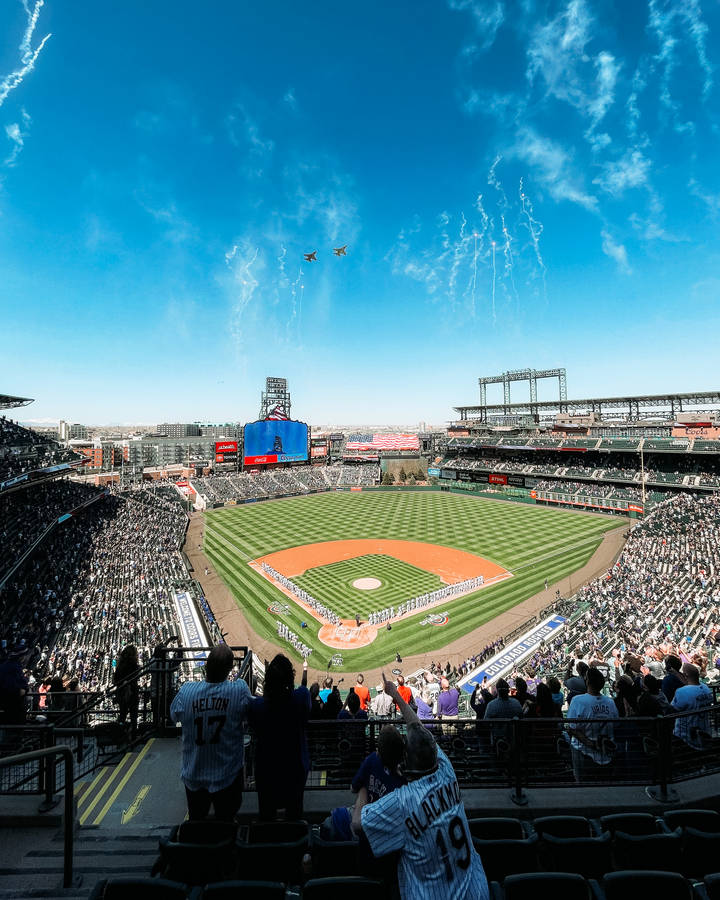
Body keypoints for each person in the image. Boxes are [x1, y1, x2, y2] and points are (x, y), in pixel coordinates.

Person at [356, 673, 489, 900]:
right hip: (477, 891)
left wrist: (362, 788)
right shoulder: (447, 770)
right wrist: (396, 695)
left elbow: (358, 824)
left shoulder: (402, 801)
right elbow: (419, 728)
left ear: (405, 764)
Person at [170, 644, 250, 821]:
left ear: (206, 667)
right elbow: (250, 716)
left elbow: (173, 716)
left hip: (194, 774)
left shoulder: (186, 691)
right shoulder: (239, 689)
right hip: (227, 776)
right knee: (227, 822)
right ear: (229, 669)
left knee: (196, 821)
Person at [248, 653, 311, 820]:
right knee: (295, 817)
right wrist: (305, 670)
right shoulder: (301, 698)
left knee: (266, 818)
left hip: (266, 770)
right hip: (294, 770)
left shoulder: (257, 707)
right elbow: (304, 692)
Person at [566, 666, 616, 783]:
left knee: (584, 787)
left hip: (583, 752)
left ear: (587, 682)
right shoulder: (610, 702)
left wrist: (590, 743)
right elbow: (615, 723)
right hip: (605, 753)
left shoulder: (578, 700)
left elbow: (572, 727)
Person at [672, 663, 712, 750]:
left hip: (685, 736)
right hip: (703, 732)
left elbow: (673, 709)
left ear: (685, 675)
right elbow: (693, 684)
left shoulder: (681, 692)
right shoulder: (705, 688)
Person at [114, 644, 140, 737]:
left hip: (122, 693)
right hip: (132, 692)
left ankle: (120, 737)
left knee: (122, 716)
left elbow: (115, 680)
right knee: (134, 717)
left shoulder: (120, 665)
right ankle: (133, 737)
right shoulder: (135, 666)